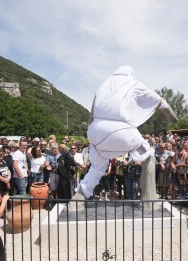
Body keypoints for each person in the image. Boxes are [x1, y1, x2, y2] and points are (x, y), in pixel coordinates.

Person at [72, 66, 177, 202]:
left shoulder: (101, 89)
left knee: (97, 168)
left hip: (95, 131)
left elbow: (91, 116)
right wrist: (172, 117)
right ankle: (149, 199)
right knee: (148, 154)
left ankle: (78, 198)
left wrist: (92, 136)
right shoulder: (133, 84)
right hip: (120, 131)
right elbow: (159, 101)